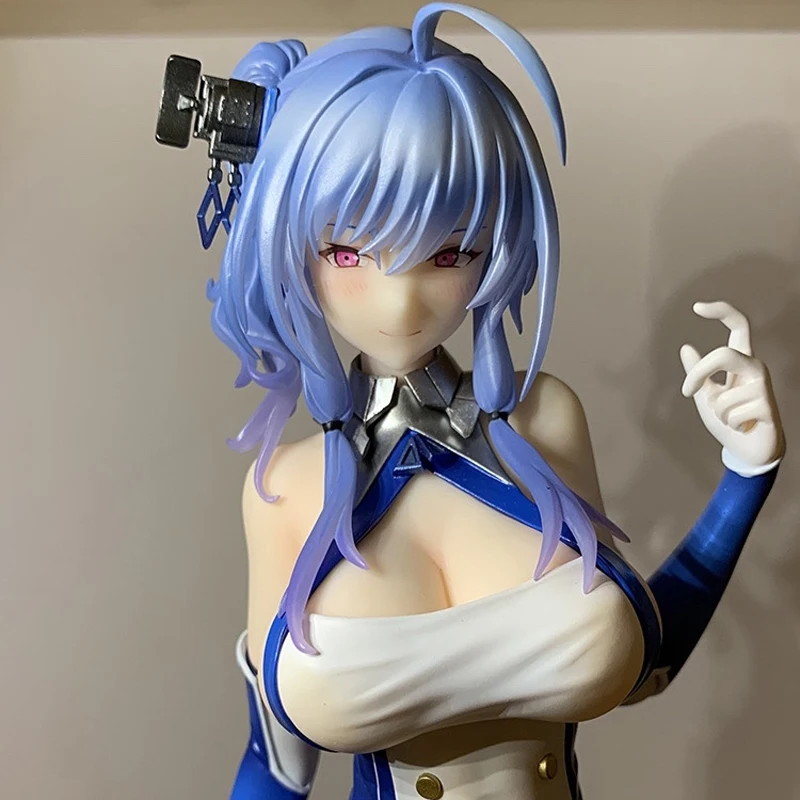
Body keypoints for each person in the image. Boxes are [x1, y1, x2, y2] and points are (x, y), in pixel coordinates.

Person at [161, 4, 785, 798]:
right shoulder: (283, 487)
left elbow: (645, 664)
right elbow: (275, 771)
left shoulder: (545, 419)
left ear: (497, 247)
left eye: (450, 253)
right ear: (289, 242)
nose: (400, 301)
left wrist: (745, 473)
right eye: (348, 252)